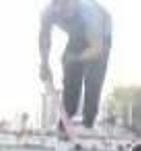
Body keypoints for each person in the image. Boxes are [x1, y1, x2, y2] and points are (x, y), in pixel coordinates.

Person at [39, 0, 112, 129]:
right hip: (77, 36)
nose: (64, 13)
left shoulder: (89, 13)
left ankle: (88, 121)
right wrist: (44, 63)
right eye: (60, 10)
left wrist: (75, 59)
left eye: (67, 8)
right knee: (70, 70)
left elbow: (96, 50)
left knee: (93, 77)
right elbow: (45, 37)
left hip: (100, 37)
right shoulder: (48, 12)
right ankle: (67, 117)